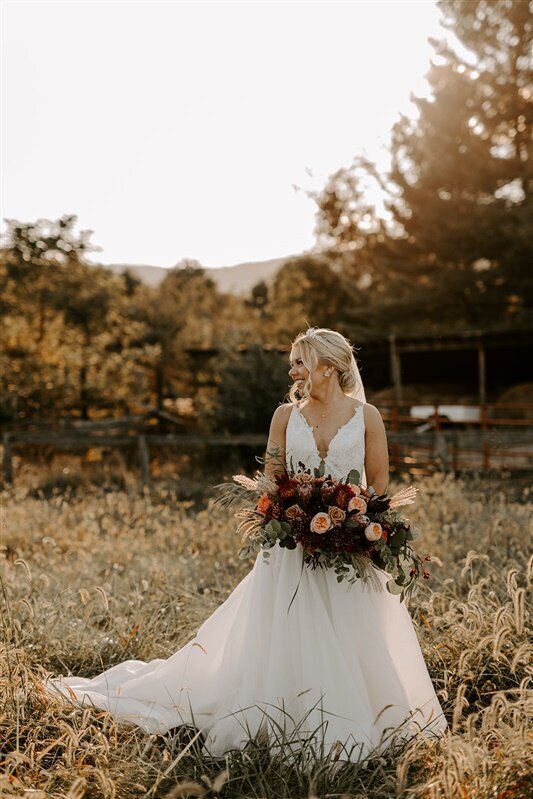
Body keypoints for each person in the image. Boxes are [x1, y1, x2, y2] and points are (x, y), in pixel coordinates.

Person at [44, 326, 448, 764]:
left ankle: (362, 716)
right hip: (292, 546)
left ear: (328, 367)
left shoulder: (367, 416)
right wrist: (295, 512)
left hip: (349, 544)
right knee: (288, 628)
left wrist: (349, 516)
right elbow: (273, 476)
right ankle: (283, 715)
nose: (292, 369)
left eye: (300, 361)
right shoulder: (284, 416)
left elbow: (380, 482)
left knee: (353, 629)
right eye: (292, 361)